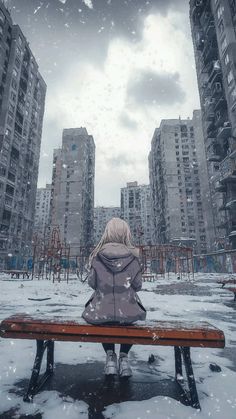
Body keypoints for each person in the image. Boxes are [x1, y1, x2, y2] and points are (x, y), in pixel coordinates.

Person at [82, 217, 146, 378]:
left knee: (105, 319)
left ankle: (110, 357)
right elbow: (137, 285)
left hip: (101, 311)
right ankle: (124, 358)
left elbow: (93, 283)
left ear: (107, 233)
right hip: (128, 311)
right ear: (126, 233)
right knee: (129, 322)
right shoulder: (133, 258)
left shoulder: (98, 257)